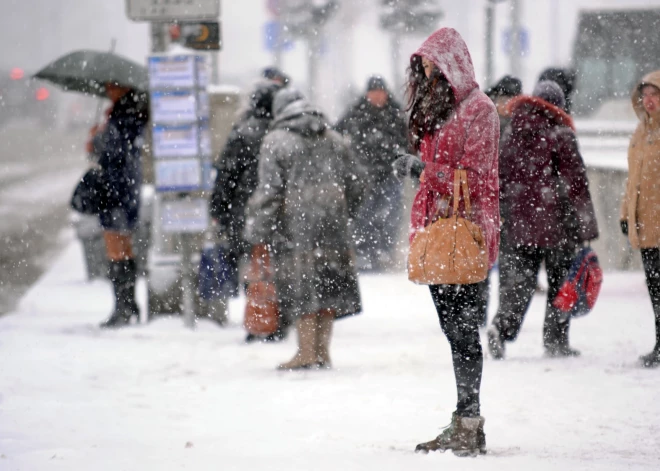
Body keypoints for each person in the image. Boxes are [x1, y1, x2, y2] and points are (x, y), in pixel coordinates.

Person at [393, 28, 500, 456]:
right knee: (452, 328)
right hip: (438, 233)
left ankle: (469, 423)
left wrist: (423, 169)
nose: (427, 72)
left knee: (462, 330)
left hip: (466, 232)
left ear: (454, 63)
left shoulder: (480, 111)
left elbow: (476, 181)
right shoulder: (437, 106)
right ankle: (463, 419)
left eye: (434, 65)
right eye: (422, 66)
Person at [244, 88, 363, 370]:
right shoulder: (333, 139)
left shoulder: (275, 141)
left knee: (301, 287)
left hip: (294, 227)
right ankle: (323, 352)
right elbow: (358, 183)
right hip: (333, 223)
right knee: (328, 285)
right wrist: (343, 210)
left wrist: (258, 230)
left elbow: (269, 192)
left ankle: (305, 352)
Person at [487, 81, 598, 360]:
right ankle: (555, 340)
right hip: (557, 225)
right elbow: (576, 184)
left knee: (518, 285)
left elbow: (498, 178)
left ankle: (501, 328)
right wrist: (586, 226)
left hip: (518, 225)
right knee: (561, 284)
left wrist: (502, 214)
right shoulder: (561, 135)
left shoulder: (510, 131)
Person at [209, 79, 284, 340]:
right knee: (276, 267)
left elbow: (226, 175)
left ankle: (257, 319)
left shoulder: (243, 132)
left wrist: (218, 208)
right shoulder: (282, 133)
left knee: (252, 268)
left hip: (245, 211)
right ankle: (277, 318)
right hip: (278, 211)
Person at [90, 83, 149, 328]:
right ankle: (128, 305)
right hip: (126, 191)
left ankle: (123, 308)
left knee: (117, 250)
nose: (107, 89)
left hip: (115, 194)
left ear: (122, 90)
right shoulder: (132, 117)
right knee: (123, 249)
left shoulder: (120, 120)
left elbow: (113, 159)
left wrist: (97, 141)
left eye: (112, 86)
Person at [335, 75, 408, 271]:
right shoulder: (356, 112)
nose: (377, 96)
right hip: (363, 176)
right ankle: (364, 255)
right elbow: (337, 132)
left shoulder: (395, 113)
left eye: (380, 92)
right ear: (367, 94)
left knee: (390, 217)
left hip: (390, 175)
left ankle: (385, 253)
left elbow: (409, 141)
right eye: (373, 92)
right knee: (363, 217)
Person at [620, 71, 660, 368]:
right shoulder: (640, 133)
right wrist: (625, 214)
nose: (650, 100)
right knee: (655, 288)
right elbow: (631, 179)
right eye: (645, 94)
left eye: (656, 94)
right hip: (647, 227)